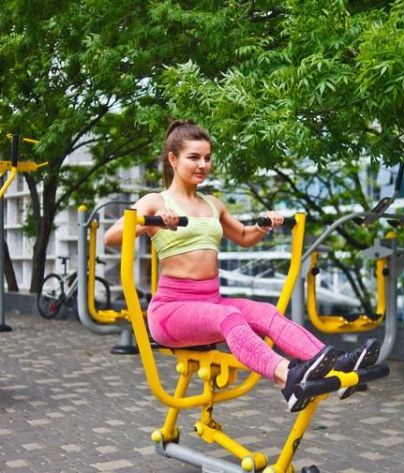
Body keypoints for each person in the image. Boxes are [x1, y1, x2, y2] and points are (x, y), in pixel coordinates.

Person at [104, 120, 380, 411]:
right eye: (194, 157)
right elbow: (111, 237)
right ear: (173, 159)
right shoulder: (156, 201)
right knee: (229, 316)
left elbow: (245, 237)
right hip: (171, 311)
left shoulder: (213, 204)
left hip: (211, 302)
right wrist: (154, 221)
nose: (203, 165)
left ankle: (337, 366)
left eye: (207, 158)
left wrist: (263, 225)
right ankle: (288, 378)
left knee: (266, 313)